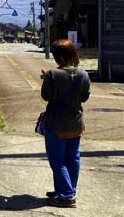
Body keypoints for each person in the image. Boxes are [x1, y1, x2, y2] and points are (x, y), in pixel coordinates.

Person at [40, 39, 91, 208]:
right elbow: (84, 98)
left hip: (56, 124)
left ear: (57, 56)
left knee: (57, 160)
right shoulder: (83, 74)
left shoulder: (52, 74)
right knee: (73, 158)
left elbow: (46, 96)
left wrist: (46, 80)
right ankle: (66, 190)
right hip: (76, 124)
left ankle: (67, 195)